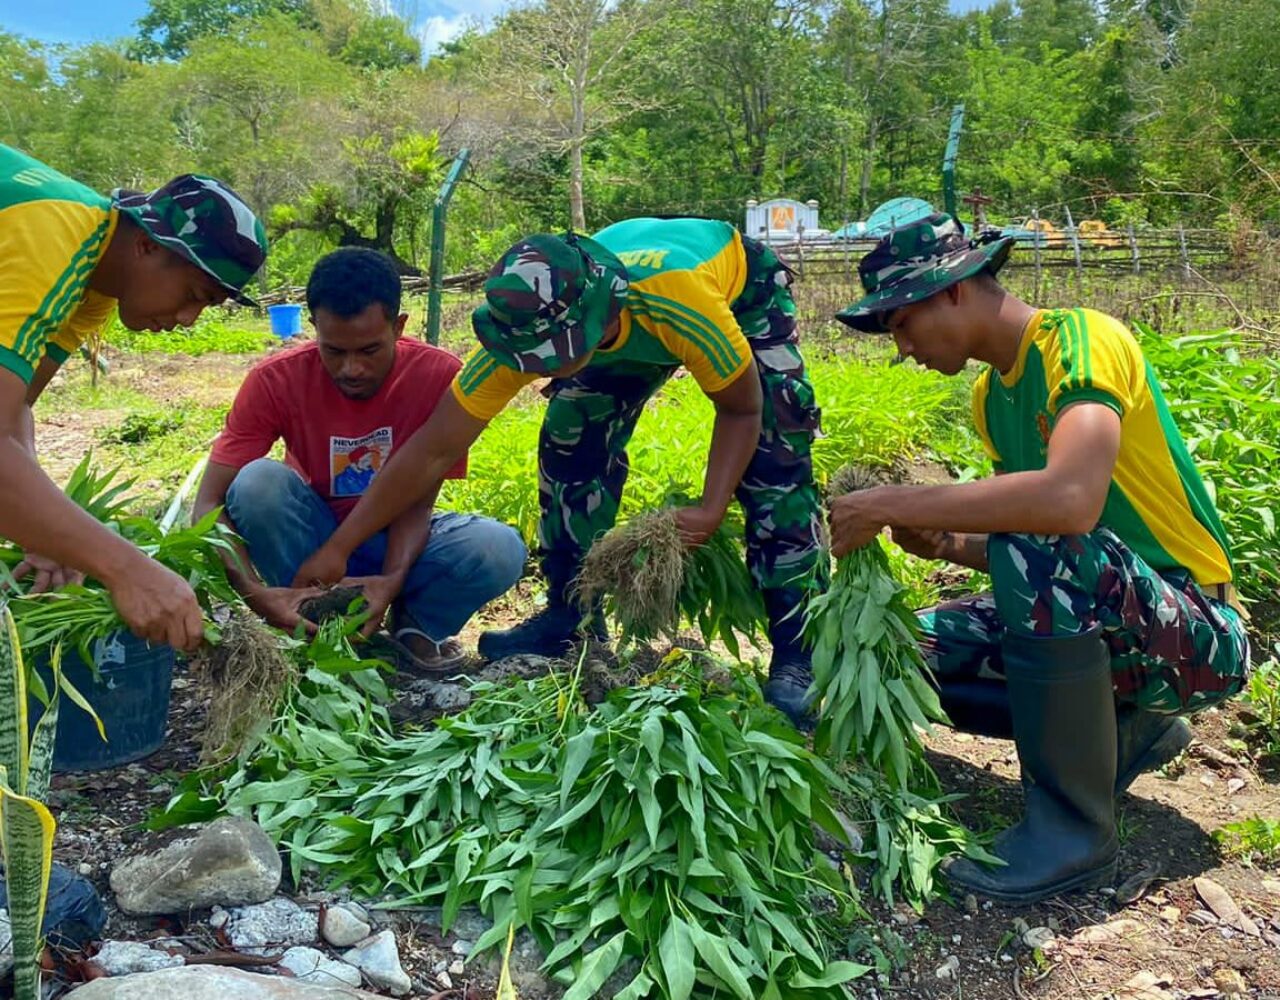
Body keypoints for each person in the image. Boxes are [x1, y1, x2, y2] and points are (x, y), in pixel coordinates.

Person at [829, 211, 1250, 903]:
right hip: (1121, 616)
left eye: (901, 323)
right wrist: (947, 544)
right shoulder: (991, 400)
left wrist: (896, 499)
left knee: (1038, 531)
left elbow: (1068, 504)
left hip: (1195, 628)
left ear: (953, 290)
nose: (901, 347)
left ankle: (1073, 832)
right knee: (902, 648)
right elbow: (1039, 559)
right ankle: (1125, 733)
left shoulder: (1079, 339)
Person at [290, 219, 826, 726]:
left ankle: (798, 646)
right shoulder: (524, 327)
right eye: (531, 358)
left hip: (736, 292)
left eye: (551, 357)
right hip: (621, 316)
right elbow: (430, 450)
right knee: (571, 434)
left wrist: (711, 507)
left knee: (774, 456)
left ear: (593, 323)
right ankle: (573, 620)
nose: (537, 369)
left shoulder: (680, 302)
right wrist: (343, 543)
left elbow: (740, 408)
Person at [193, 248, 527, 670]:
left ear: (399, 326)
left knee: (498, 548)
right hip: (310, 543)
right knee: (257, 482)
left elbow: (419, 498)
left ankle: (415, 626)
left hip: (397, 535)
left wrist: (390, 580)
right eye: (334, 351)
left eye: (369, 350)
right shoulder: (273, 381)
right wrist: (256, 594)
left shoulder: (439, 377)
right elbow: (207, 505)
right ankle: (308, 616)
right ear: (313, 327)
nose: (351, 368)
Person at [0, 142, 269, 652]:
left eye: (206, 308)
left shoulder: (94, 282)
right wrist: (126, 569)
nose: (189, 320)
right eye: (193, 295)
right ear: (147, 245)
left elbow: (14, 409)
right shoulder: (53, 240)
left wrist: (47, 531)